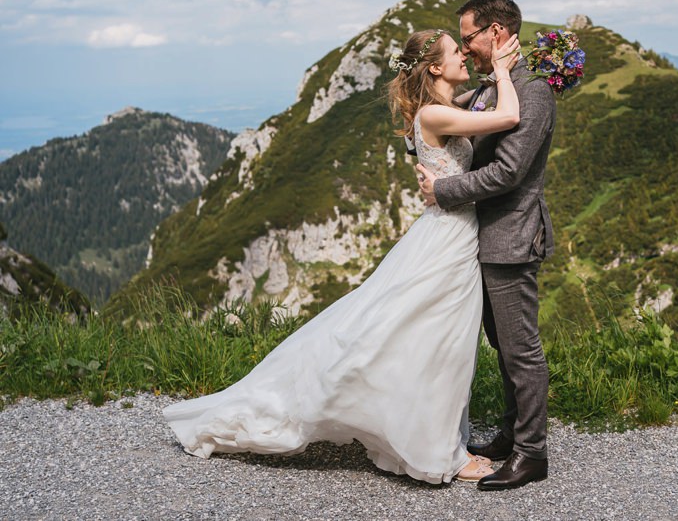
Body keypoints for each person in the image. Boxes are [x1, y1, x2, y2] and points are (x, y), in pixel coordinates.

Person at [162, 27, 522, 485]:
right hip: (448, 239)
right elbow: (508, 115)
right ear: (434, 67)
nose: (465, 56)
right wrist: (503, 71)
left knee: (432, 341)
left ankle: (430, 433)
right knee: (436, 343)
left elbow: (477, 98)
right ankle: (438, 449)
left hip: (450, 233)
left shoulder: (442, 107)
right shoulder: (433, 113)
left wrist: (497, 76)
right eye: (456, 52)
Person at [416, 0, 556, 491]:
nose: (468, 47)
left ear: (496, 33)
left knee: (521, 350)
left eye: (470, 36)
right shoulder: (493, 87)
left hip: (512, 236)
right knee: (502, 344)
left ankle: (532, 454)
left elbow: (509, 172)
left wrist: (443, 189)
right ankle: (510, 434)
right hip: (481, 238)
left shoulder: (533, 90)